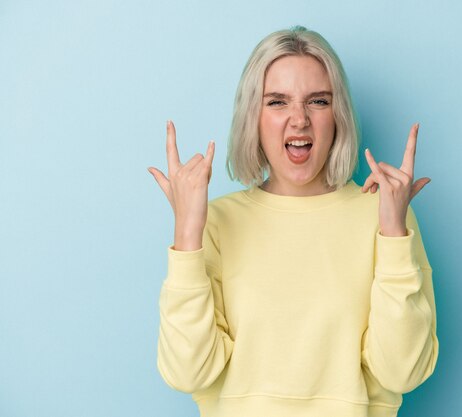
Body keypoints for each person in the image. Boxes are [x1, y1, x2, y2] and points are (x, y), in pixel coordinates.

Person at [147, 25, 438, 417]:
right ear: (253, 116)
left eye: (318, 101)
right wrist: (186, 235)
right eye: (277, 102)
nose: (299, 120)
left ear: (338, 116)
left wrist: (393, 235)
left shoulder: (386, 215)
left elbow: (403, 373)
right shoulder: (215, 223)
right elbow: (188, 373)